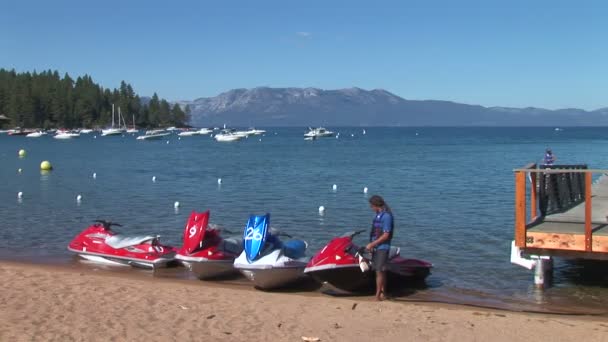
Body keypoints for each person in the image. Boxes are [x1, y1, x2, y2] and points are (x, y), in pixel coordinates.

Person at [365, 195, 394, 301]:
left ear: (376, 205)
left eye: (371, 206)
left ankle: (377, 296)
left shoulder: (387, 217)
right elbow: (374, 232)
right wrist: (371, 244)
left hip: (383, 247)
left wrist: (373, 244)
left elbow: (386, 235)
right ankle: (382, 293)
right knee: (380, 271)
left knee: (379, 271)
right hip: (376, 246)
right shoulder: (377, 216)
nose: (371, 208)